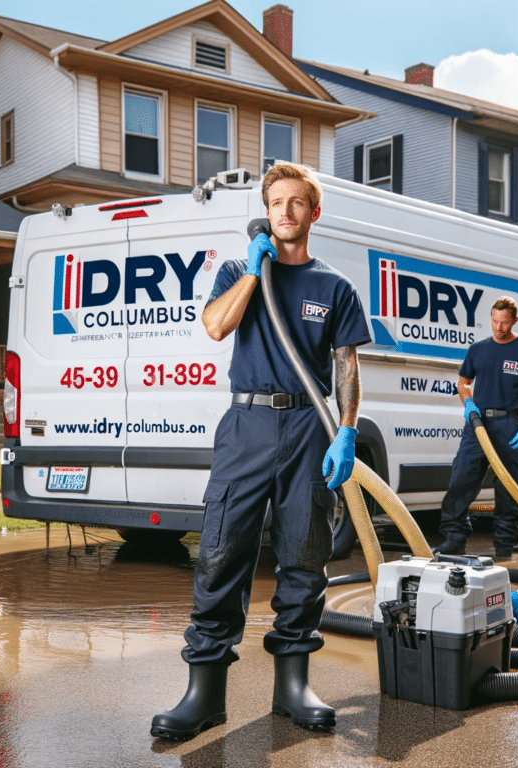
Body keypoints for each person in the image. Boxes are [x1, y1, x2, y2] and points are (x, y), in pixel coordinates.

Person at [151, 163, 371, 740]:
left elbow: (346, 367)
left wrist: (346, 429)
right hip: (246, 424)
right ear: (265, 211)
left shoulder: (335, 288)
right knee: (221, 551)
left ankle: (292, 687)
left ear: (313, 212)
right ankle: (204, 695)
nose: (285, 212)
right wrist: (253, 273)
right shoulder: (236, 271)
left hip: (308, 428)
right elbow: (216, 326)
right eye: (276, 202)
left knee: (304, 554)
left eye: (297, 203)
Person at [435, 296, 518, 560]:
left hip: (508, 424)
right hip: (477, 425)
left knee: (509, 486)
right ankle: (454, 539)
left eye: (505, 323)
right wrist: (468, 404)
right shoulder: (478, 349)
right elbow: (463, 382)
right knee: (461, 478)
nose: (499, 328)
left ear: (514, 321)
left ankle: (504, 546)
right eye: (495, 321)